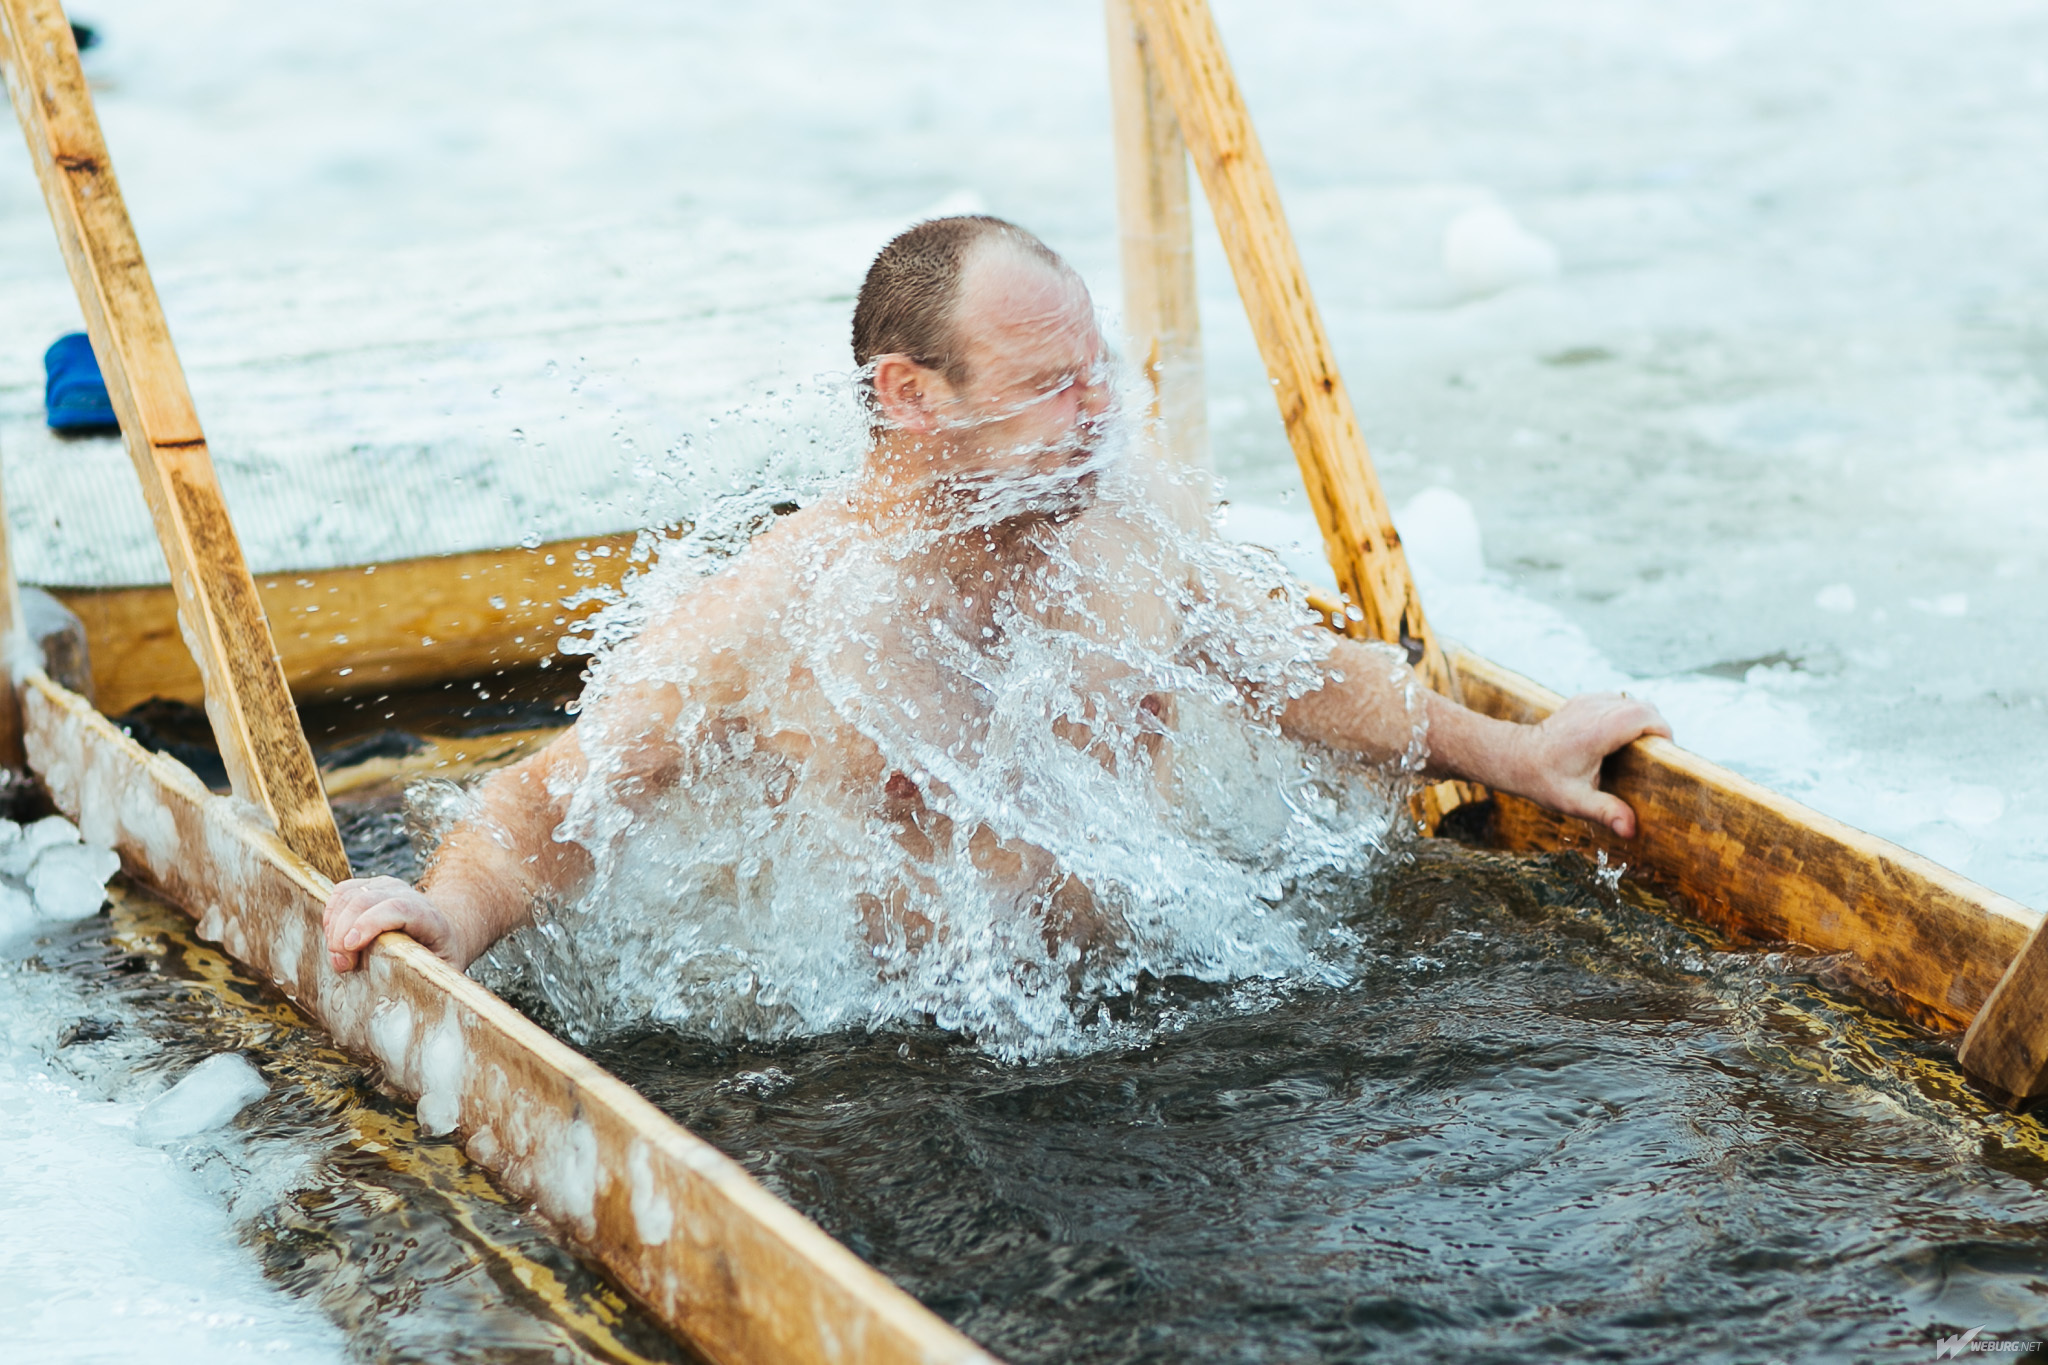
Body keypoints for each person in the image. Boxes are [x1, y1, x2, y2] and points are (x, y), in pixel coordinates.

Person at [323, 215, 1670, 980]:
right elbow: (549, 808)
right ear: (912, 398)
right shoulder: (791, 605)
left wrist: (1516, 756)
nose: (1095, 418)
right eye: (1045, 387)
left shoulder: (1123, 536)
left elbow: (1299, 674)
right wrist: (442, 916)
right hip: (897, 1079)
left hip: (1151, 1022)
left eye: (1095, 375)